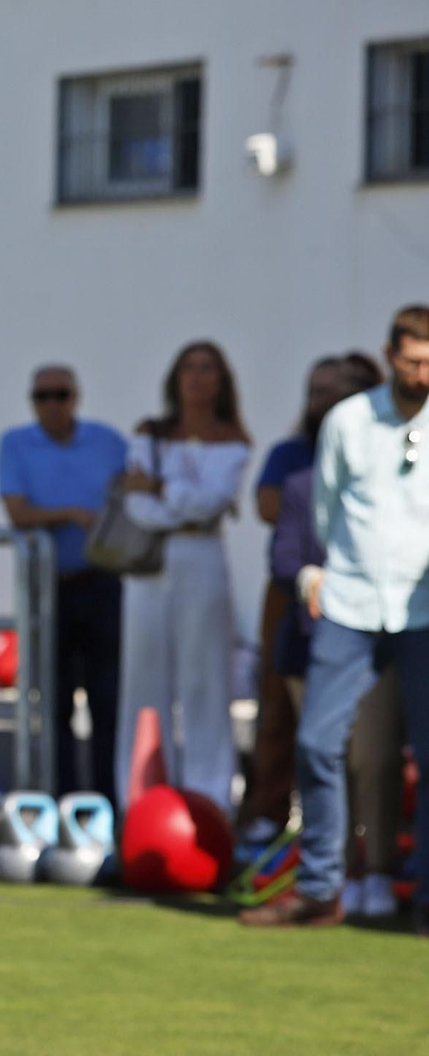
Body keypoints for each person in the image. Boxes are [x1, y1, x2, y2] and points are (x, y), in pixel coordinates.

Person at [242, 305, 429, 932]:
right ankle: (321, 887)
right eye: (411, 360)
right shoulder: (350, 420)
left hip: (422, 611)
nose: (422, 372)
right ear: (389, 356)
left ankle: (425, 890)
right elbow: (322, 510)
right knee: (318, 743)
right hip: (349, 604)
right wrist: (320, 573)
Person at [114, 341, 251, 816]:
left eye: (207, 368)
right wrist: (175, 499)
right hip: (151, 564)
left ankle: (210, 800)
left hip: (203, 554)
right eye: (189, 368)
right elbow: (136, 505)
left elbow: (212, 502)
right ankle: (139, 798)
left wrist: (160, 488)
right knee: (143, 681)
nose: (197, 378)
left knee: (205, 679)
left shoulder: (232, 439)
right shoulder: (150, 433)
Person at [270, 460, 404, 919]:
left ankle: (379, 870)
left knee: (373, 760)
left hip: (374, 642)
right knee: (322, 756)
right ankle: (336, 875)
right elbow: (285, 557)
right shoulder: (301, 485)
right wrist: (309, 577)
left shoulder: (397, 487)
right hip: (314, 644)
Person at [0, 364, 128, 801]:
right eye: (42, 396)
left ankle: (109, 800)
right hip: (48, 589)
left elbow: (132, 499)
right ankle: (66, 799)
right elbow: (18, 512)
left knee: (107, 700)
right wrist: (71, 513)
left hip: (103, 583)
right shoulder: (16, 445)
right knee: (54, 702)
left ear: (76, 396)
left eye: (60, 394)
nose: (52, 404)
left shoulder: (108, 443)